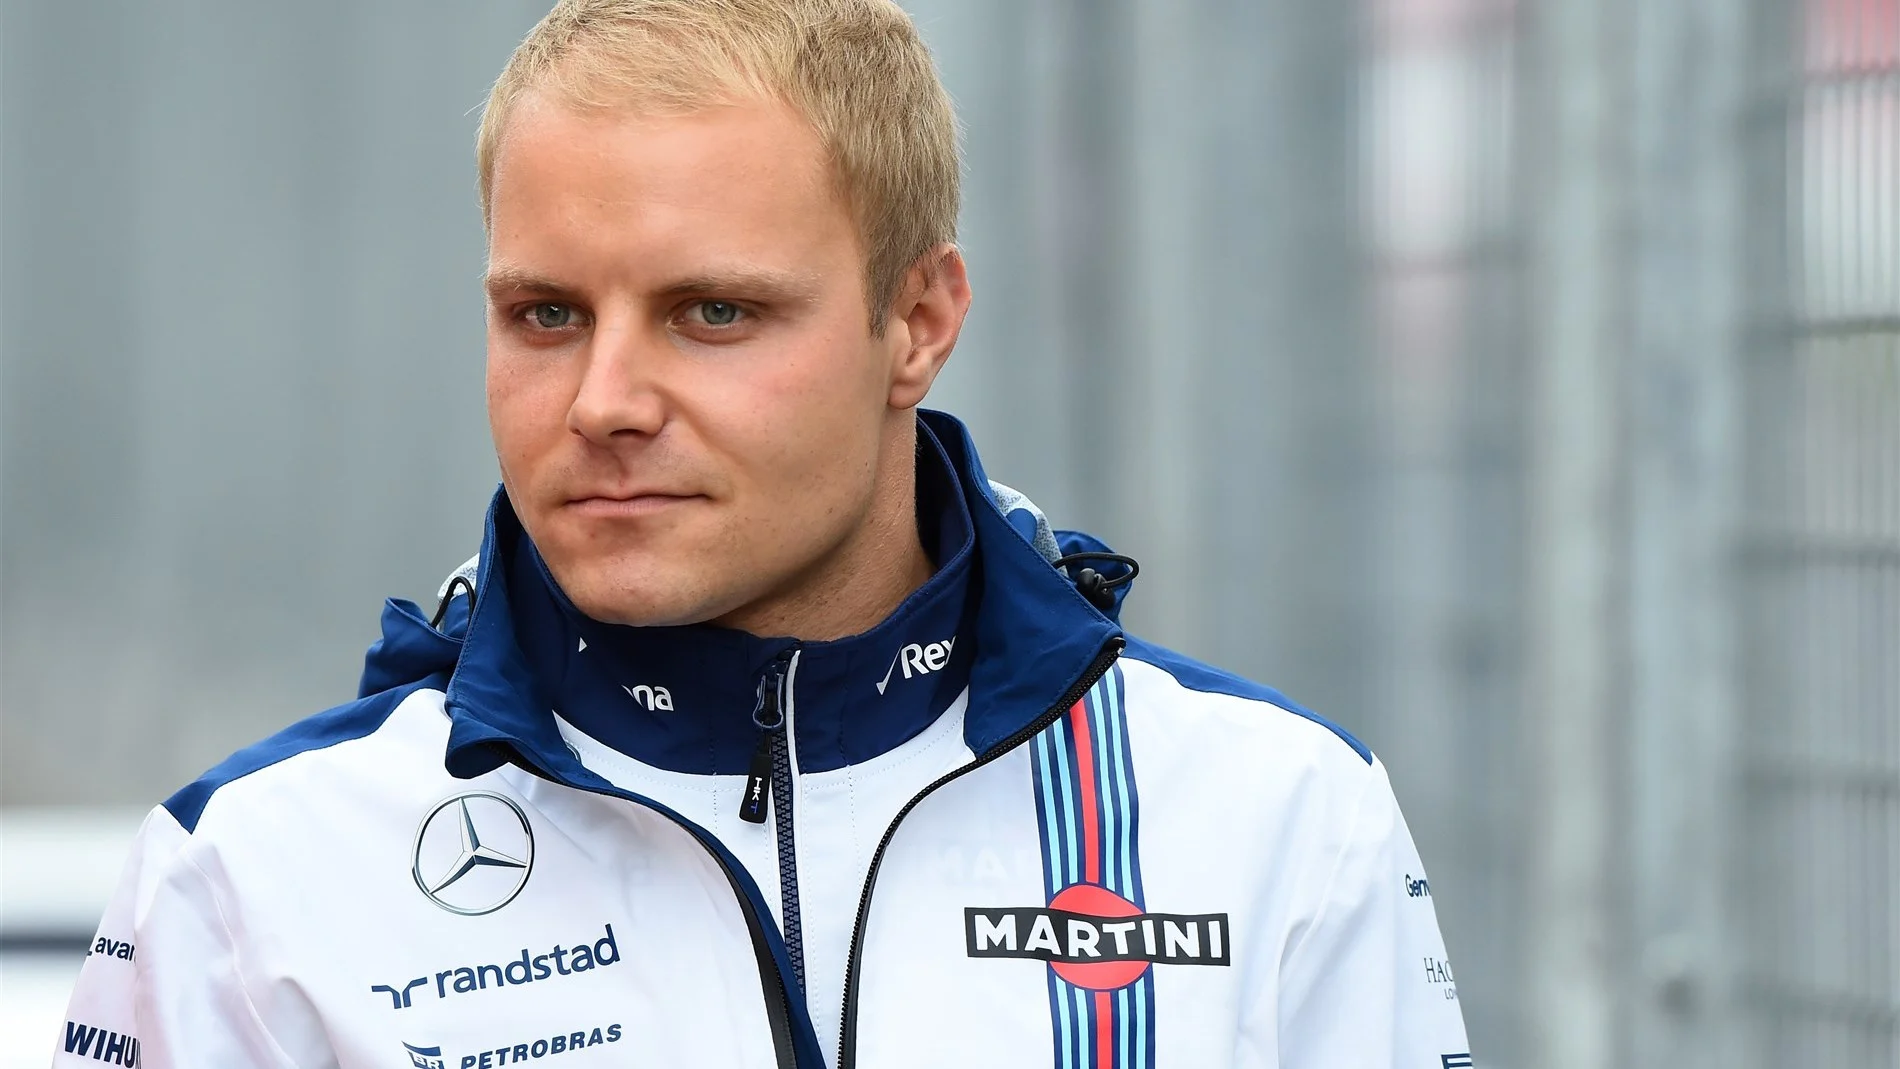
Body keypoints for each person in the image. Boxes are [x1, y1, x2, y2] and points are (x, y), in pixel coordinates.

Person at [56, 1, 1469, 1066]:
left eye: (712, 313)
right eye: (546, 314)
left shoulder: (1276, 823)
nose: (603, 401)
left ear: (917, 323)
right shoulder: (257, 876)